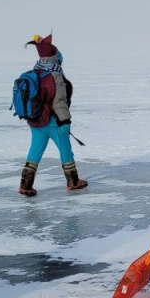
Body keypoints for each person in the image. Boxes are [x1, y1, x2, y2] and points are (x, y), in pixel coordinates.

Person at [17, 34, 87, 196]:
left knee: (34, 151)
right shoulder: (55, 74)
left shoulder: (35, 72)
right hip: (53, 121)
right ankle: (73, 181)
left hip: (35, 121)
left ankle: (25, 184)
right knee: (65, 149)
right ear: (55, 56)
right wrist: (65, 121)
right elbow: (59, 101)